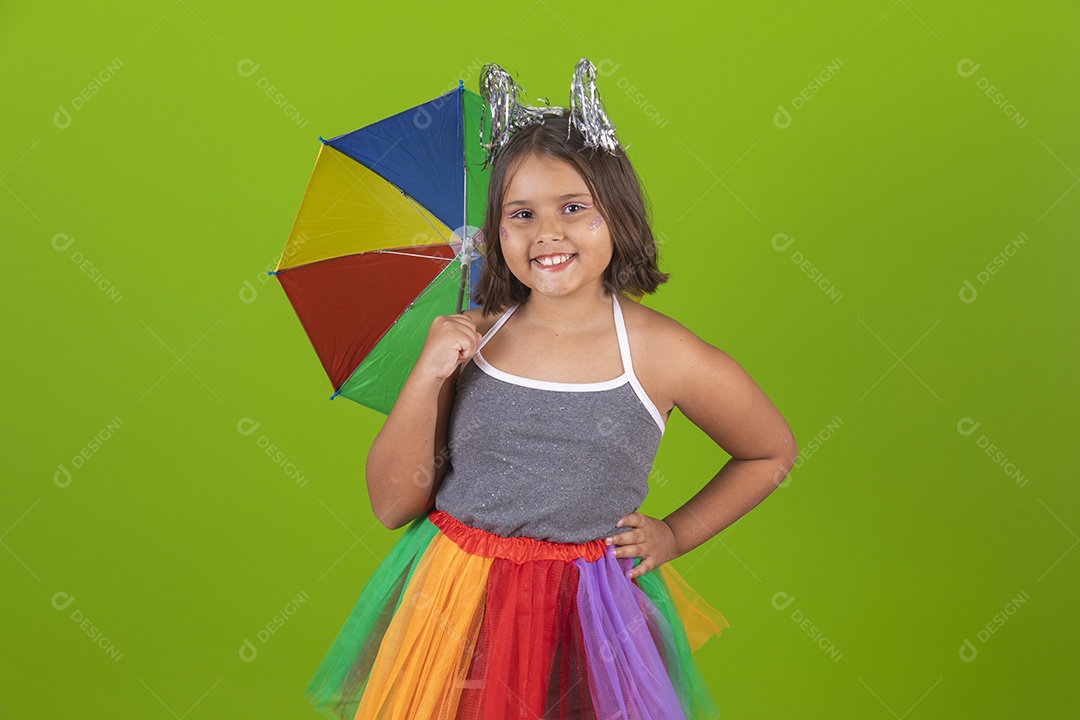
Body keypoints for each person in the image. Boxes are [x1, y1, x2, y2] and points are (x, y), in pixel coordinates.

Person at [304, 60, 797, 720]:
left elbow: (769, 452)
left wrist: (675, 534)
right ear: (494, 232)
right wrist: (427, 375)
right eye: (521, 214)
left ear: (617, 216)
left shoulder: (663, 354)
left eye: (573, 208)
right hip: (456, 604)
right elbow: (394, 504)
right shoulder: (467, 341)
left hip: (589, 613)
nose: (547, 234)